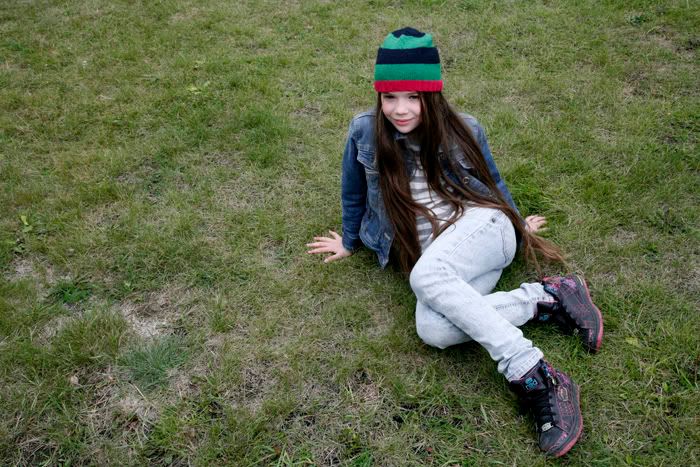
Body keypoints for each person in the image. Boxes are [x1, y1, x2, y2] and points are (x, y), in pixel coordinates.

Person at [307, 27, 603, 457]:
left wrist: (519, 226)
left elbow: (493, 181)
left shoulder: (463, 129)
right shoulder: (364, 132)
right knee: (434, 330)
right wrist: (350, 242)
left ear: (432, 95)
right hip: (442, 259)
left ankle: (535, 374)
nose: (400, 109)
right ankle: (548, 297)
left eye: (413, 97)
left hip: (485, 228)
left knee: (425, 277)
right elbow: (353, 192)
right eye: (390, 97)